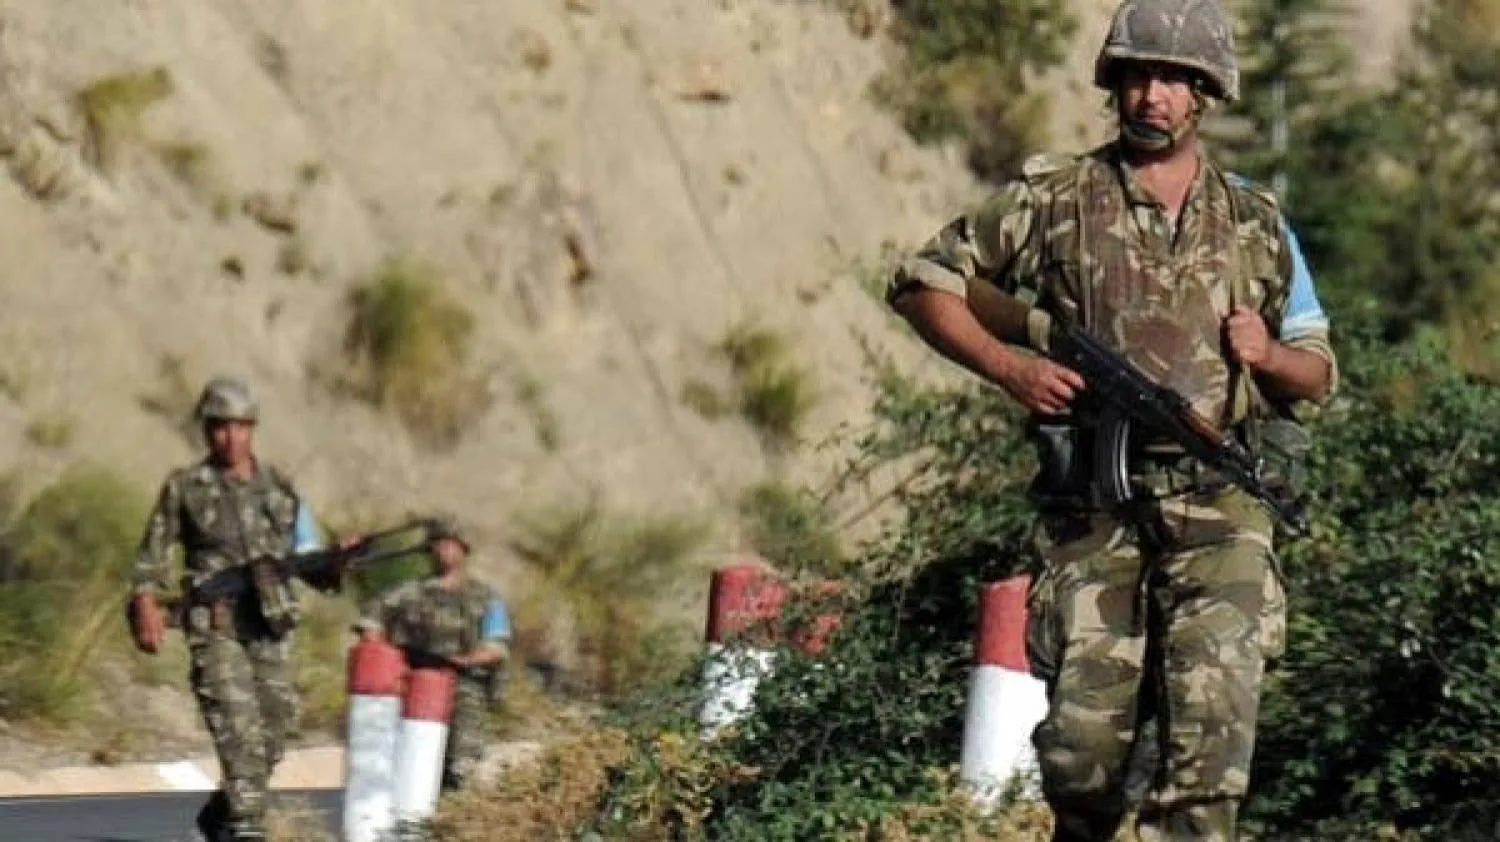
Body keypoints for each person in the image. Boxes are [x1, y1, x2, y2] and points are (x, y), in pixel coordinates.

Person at [886, 1, 1337, 839]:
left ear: (1206, 93)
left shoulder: (1257, 223)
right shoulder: (1056, 199)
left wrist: (1268, 354)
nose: (1151, 96)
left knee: (1211, 750)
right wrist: (1011, 366)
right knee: (1081, 757)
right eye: (1136, 76)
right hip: (1095, 506)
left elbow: (1318, 370)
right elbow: (923, 281)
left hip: (1221, 506)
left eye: (1173, 79)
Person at [128, 376, 350, 842]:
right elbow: (150, 558)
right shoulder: (186, 488)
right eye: (220, 427)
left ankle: (217, 819)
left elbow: (309, 558)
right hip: (217, 630)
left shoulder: (280, 490)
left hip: (270, 628)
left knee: (274, 732)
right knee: (240, 735)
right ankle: (245, 827)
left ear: (253, 428)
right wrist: (145, 602)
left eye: (240, 427)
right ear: (207, 430)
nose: (230, 438)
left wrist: (337, 561)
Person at [356, 516, 512, 792]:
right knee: (408, 756)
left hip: (463, 685)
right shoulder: (407, 593)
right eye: (438, 544)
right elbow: (372, 621)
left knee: (462, 762)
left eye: (451, 544)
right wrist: (388, 658)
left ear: (464, 550)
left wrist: (461, 662)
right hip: (412, 681)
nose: (444, 551)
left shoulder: (487, 598)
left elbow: (495, 648)